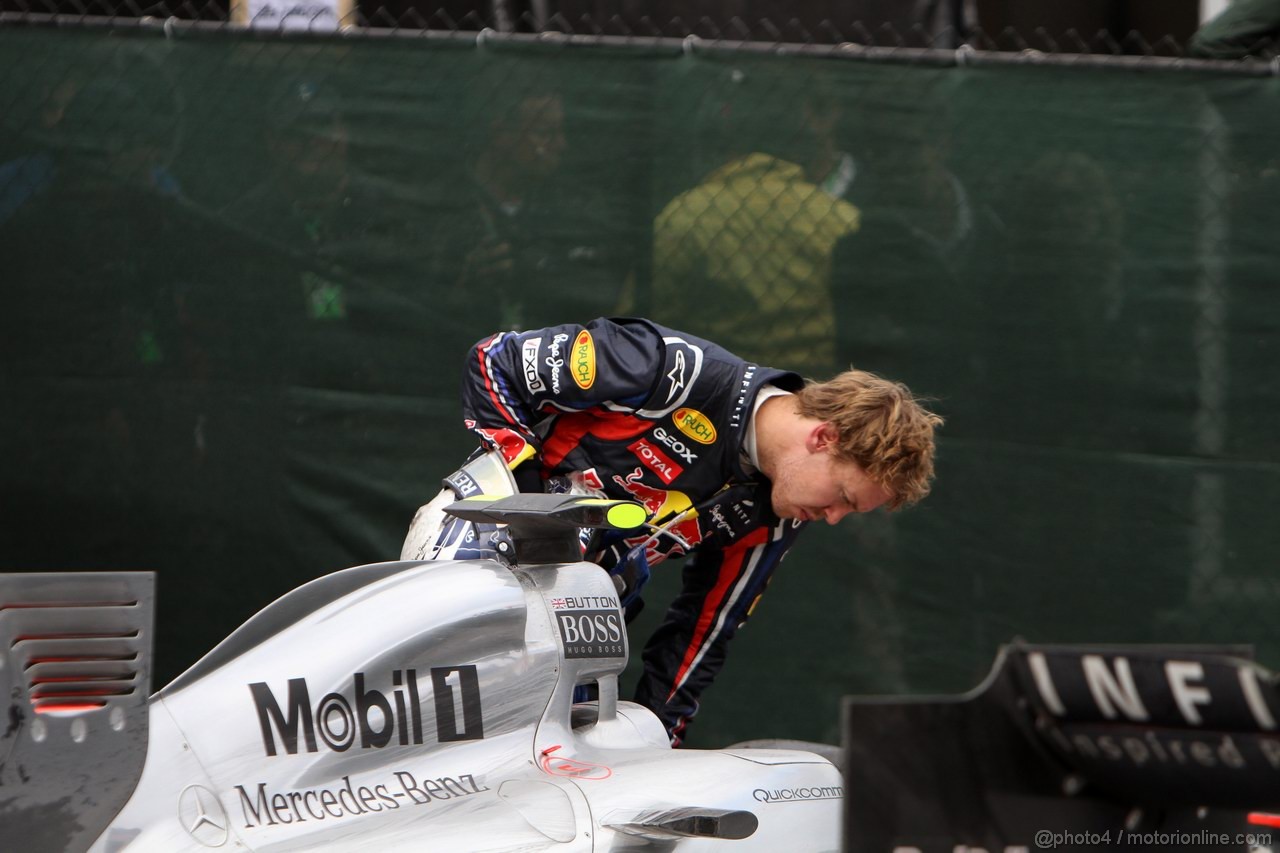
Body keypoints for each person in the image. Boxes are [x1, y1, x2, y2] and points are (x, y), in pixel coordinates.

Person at [402, 316, 941, 745]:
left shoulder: (775, 516)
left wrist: (660, 742)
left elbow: (703, 631)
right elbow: (496, 359)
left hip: (578, 614)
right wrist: (524, 498)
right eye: (843, 497)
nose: (834, 517)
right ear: (824, 436)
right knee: (434, 743)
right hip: (478, 554)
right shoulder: (674, 370)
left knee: (555, 768)